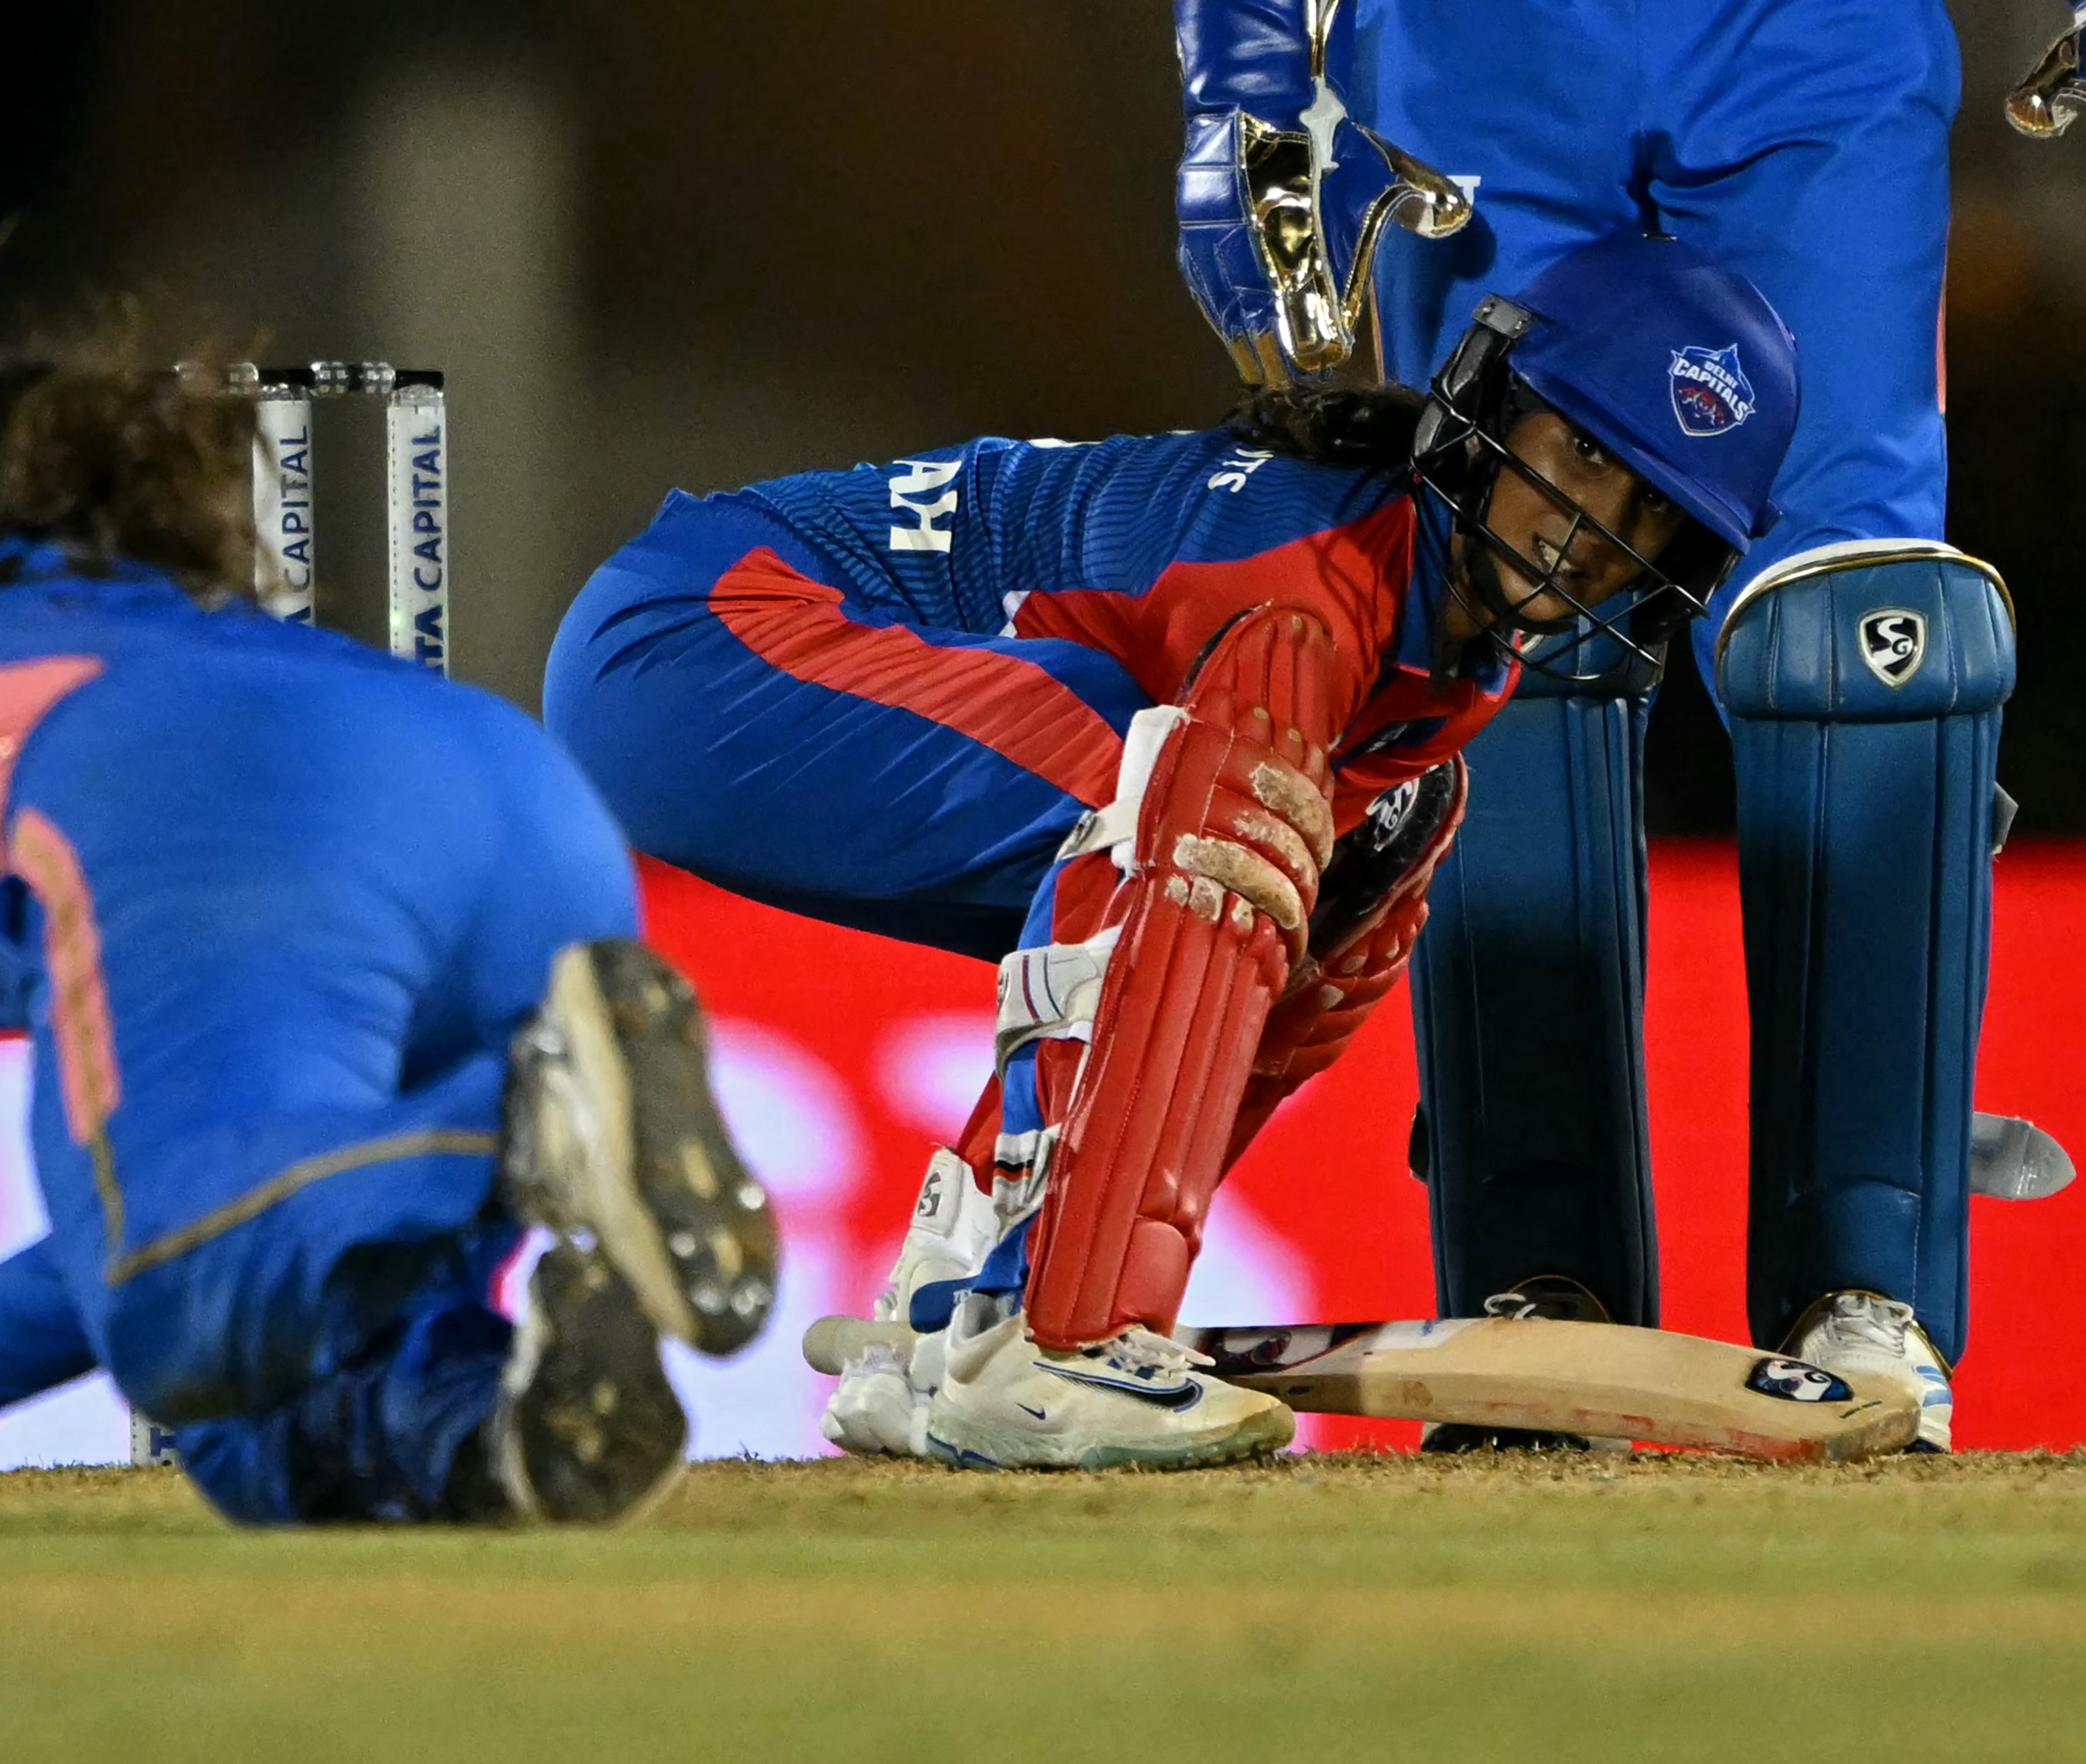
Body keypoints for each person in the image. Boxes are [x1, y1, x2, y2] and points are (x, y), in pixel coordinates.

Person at [546, 232, 1797, 1469]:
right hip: (696, 643)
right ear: (1491, 405)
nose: (1595, 524)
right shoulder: (1304, 574)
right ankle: (1057, 1334)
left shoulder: (1452, 659)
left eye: (1651, 508)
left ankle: (960, 1306)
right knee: (1215, 820)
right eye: (1581, 449)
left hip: (756, 661)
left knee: (1368, 853)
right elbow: (1185, 861)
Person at [0, 346, 780, 1524]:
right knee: (256, 1376)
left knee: (180, 1308)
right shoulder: (189, 623)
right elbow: (151, 1251)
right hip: (528, 804)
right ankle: (487, 1438)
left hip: (239, 803)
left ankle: (523, 1126)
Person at [1171, 0, 2030, 1452]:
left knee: (1864, 637)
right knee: (1505, 586)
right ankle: (1535, 1281)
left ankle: (1869, 1290)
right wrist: (1242, 58)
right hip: (1480, 51)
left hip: (1809, 37)